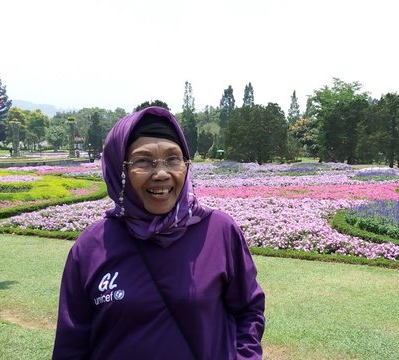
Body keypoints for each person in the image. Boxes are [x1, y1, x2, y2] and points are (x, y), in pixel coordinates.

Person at [52, 106, 265, 359]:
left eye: (173, 159)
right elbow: (72, 343)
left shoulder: (219, 231)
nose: (161, 174)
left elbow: (249, 310)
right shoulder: (92, 246)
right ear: (118, 170)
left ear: (186, 166)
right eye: (143, 161)